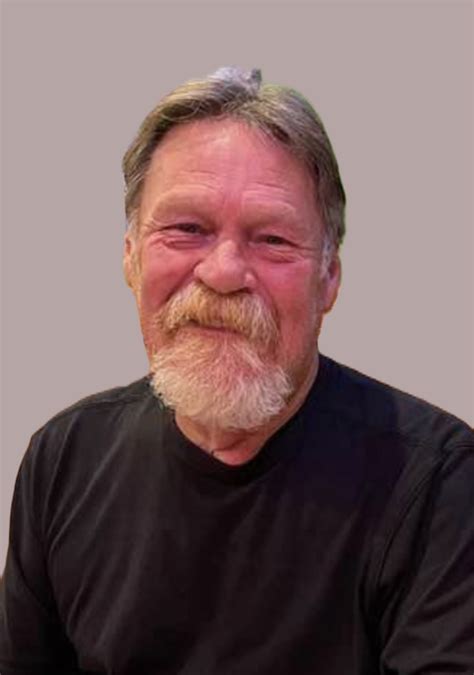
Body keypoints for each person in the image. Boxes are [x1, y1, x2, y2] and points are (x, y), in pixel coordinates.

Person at [0, 67, 473, 675]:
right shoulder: (63, 460)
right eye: (186, 229)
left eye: (272, 239)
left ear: (329, 277)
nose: (223, 273)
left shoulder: (437, 483)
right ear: (131, 257)